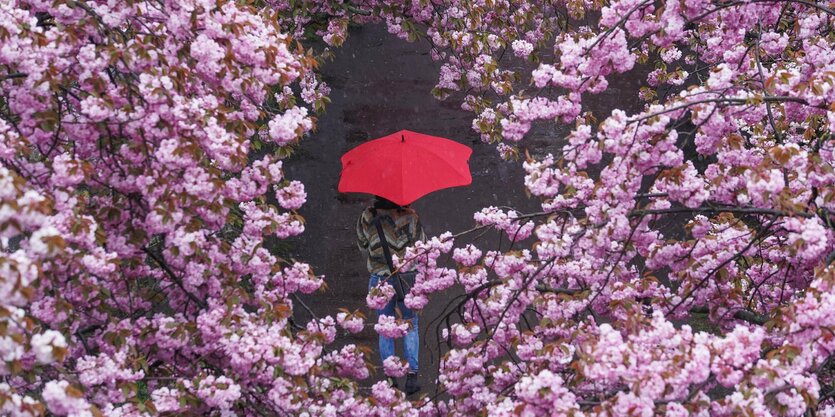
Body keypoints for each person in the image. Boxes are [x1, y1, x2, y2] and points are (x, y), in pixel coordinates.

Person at [356, 196, 426, 395]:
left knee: (385, 328)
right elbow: (422, 246)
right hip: (406, 277)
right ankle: (412, 376)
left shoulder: (368, 216)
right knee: (410, 323)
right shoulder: (411, 216)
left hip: (380, 278)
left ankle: (390, 377)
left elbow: (362, 243)